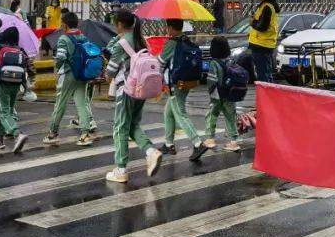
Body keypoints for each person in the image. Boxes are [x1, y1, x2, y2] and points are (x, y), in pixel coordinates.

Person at [104, 9, 163, 183]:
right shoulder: (141, 40)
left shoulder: (121, 43)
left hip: (127, 89)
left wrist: (107, 69)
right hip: (142, 89)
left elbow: (110, 73)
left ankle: (121, 169)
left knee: (120, 127)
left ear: (120, 24)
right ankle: (151, 151)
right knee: (132, 125)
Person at [42, 12, 97, 147]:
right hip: (83, 75)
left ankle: (52, 133)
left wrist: (58, 68)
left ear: (64, 24)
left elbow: (60, 57)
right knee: (82, 103)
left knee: (60, 104)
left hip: (68, 74)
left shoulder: (63, 39)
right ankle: (84, 134)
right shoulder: (83, 37)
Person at [160, 18, 209, 161]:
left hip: (175, 83)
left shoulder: (172, 43)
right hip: (187, 82)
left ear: (170, 28)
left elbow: (160, 62)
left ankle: (197, 143)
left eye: (167, 27)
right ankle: (169, 144)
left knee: (180, 113)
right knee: (168, 112)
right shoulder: (186, 40)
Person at [0, 26, 31, 153]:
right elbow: (29, 66)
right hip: (17, 82)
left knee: (3, 111)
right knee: (8, 110)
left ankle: (18, 134)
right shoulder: (20, 50)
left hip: (2, 82)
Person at [204, 36, 242, 152]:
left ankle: (210, 139)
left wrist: (211, 94)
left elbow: (211, 81)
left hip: (217, 96)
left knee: (211, 116)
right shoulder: (231, 61)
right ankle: (234, 141)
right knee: (231, 117)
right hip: (230, 94)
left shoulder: (214, 63)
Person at [246, 0, 280, 83]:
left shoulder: (267, 7)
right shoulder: (265, 6)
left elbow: (262, 27)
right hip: (264, 44)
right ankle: (269, 95)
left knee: (263, 75)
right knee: (266, 72)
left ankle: (266, 95)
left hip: (261, 45)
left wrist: (252, 22)